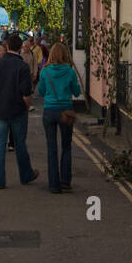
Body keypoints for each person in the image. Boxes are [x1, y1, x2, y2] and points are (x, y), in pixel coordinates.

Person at [0, 31, 39, 190]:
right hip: (18, 111)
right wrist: (28, 105)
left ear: (6, 47)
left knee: (0, 145)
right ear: (20, 48)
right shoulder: (22, 66)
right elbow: (26, 93)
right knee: (20, 144)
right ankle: (26, 175)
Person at [38, 43, 82, 194]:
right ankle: (65, 181)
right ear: (65, 55)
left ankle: (54, 185)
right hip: (66, 111)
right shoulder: (69, 71)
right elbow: (76, 92)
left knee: (51, 147)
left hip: (49, 110)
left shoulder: (45, 72)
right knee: (66, 146)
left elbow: (41, 91)